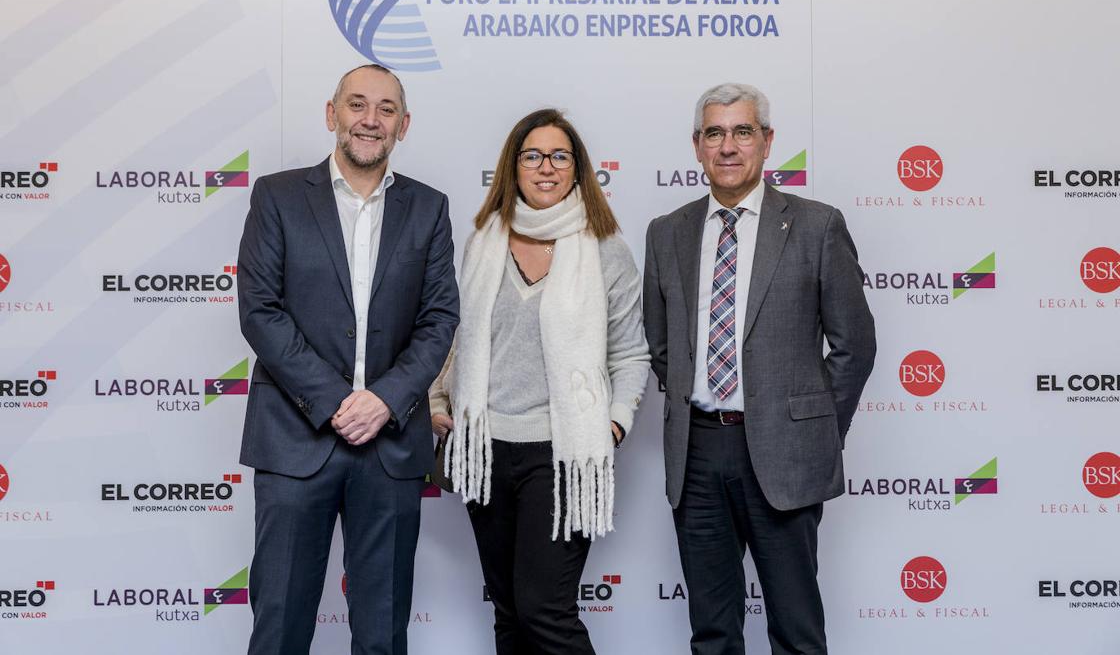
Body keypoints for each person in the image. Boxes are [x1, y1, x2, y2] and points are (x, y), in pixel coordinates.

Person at [643, 83, 876, 655]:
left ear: (767, 142)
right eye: (715, 133)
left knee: (796, 630)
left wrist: (813, 428)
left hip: (785, 453)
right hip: (696, 454)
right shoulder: (666, 231)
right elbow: (662, 344)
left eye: (742, 131)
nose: (728, 146)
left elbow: (855, 345)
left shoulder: (817, 226)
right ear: (696, 146)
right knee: (713, 632)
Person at [237, 64, 459, 655]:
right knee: (280, 624)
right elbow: (260, 310)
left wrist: (385, 400)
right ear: (331, 114)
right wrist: (338, 402)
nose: (370, 119)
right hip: (293, 440)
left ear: (403, 125)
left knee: (382, 631)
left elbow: (439, 320)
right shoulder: (278, 197)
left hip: (389, 450)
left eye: (386, 109)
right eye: (357, 105)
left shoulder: (429, 208)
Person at [429, 108, 649, 655]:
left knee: (544, 611)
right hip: (485, 451)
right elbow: (454, 335)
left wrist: (614, 426)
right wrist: (437, 400)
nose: (545, 167)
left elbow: (630, 353)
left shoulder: (605, 250)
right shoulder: (482, 243)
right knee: (508, 613)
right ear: (513, 166)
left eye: (559, 156)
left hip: (563, 455)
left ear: (578, 169)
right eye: (532, 155)